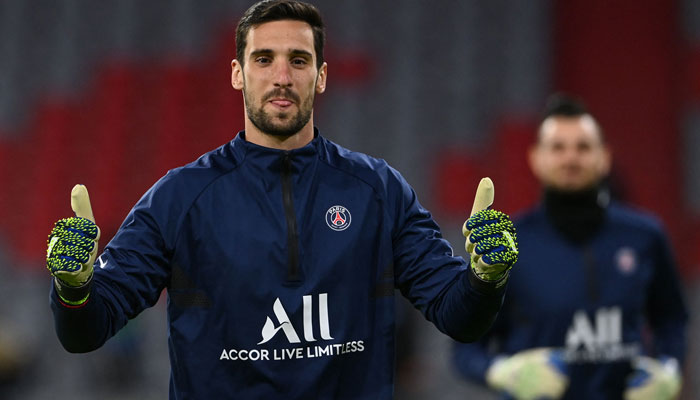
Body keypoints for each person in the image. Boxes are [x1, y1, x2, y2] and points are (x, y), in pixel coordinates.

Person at [44, 1, 519, 398]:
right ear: (237, 73)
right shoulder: (180, 197)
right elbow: (85, 332)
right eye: (263, 58)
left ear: (322, 75)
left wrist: (484, 279)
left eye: (298, 59)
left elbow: (460, 317)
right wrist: (73, 288)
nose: (282, 76)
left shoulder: (379, 190)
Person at [452, 94, 689, 400]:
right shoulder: (508, 242)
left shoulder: (645, 235)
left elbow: (672, 319)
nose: (570, 158)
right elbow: (465, 345)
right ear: (535, 157)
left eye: (583, 147)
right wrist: (500, 371)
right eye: (558, 147)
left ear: (605, 156)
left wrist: (669, 368)